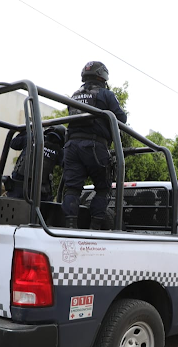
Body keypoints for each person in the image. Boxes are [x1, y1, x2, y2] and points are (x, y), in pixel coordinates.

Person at [62, 61, 127, 229]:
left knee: (72, 189)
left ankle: (70, 227)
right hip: (94, 146)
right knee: (103, 188)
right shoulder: (106, 94)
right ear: (103, 76)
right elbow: (122, 118)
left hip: (71, 147)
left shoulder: (74, 96)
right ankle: (95, 228)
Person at [4, 125, 66, 201]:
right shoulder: (59, 151)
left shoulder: (30, 138)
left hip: (17, 190)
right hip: (39, 194)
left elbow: (13, 144)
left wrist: (26, 131)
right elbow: (67, 165)